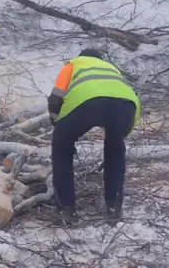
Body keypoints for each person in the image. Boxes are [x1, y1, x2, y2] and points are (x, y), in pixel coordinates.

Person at [47, 48, 140, 224]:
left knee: (61, 148)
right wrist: (121, 136)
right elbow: (129, 101)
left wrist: (57, 124)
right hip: (126, 106)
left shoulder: (73, 64)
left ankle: (67, 209)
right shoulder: (111, 68)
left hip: (87, 103)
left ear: (82, 56)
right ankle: (114, 209)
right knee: (115, 150)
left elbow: (55, 98)